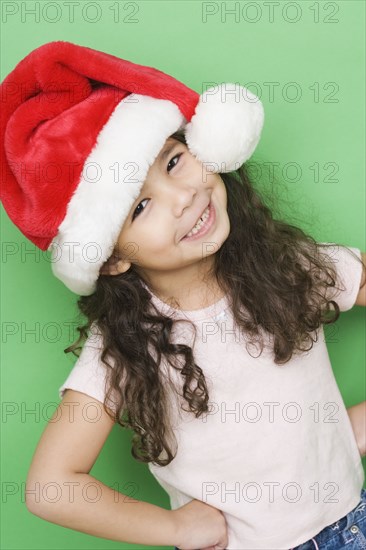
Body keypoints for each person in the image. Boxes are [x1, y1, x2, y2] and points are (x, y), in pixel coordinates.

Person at [1, 41, 365, 550]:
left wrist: (348, 433)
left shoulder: (281, 264)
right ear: (110, 257)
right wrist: (173, 527)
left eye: (173, 162)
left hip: (354, 518)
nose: (184, 197)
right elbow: (50, 486)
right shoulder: (125, 346)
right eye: (141, 206)